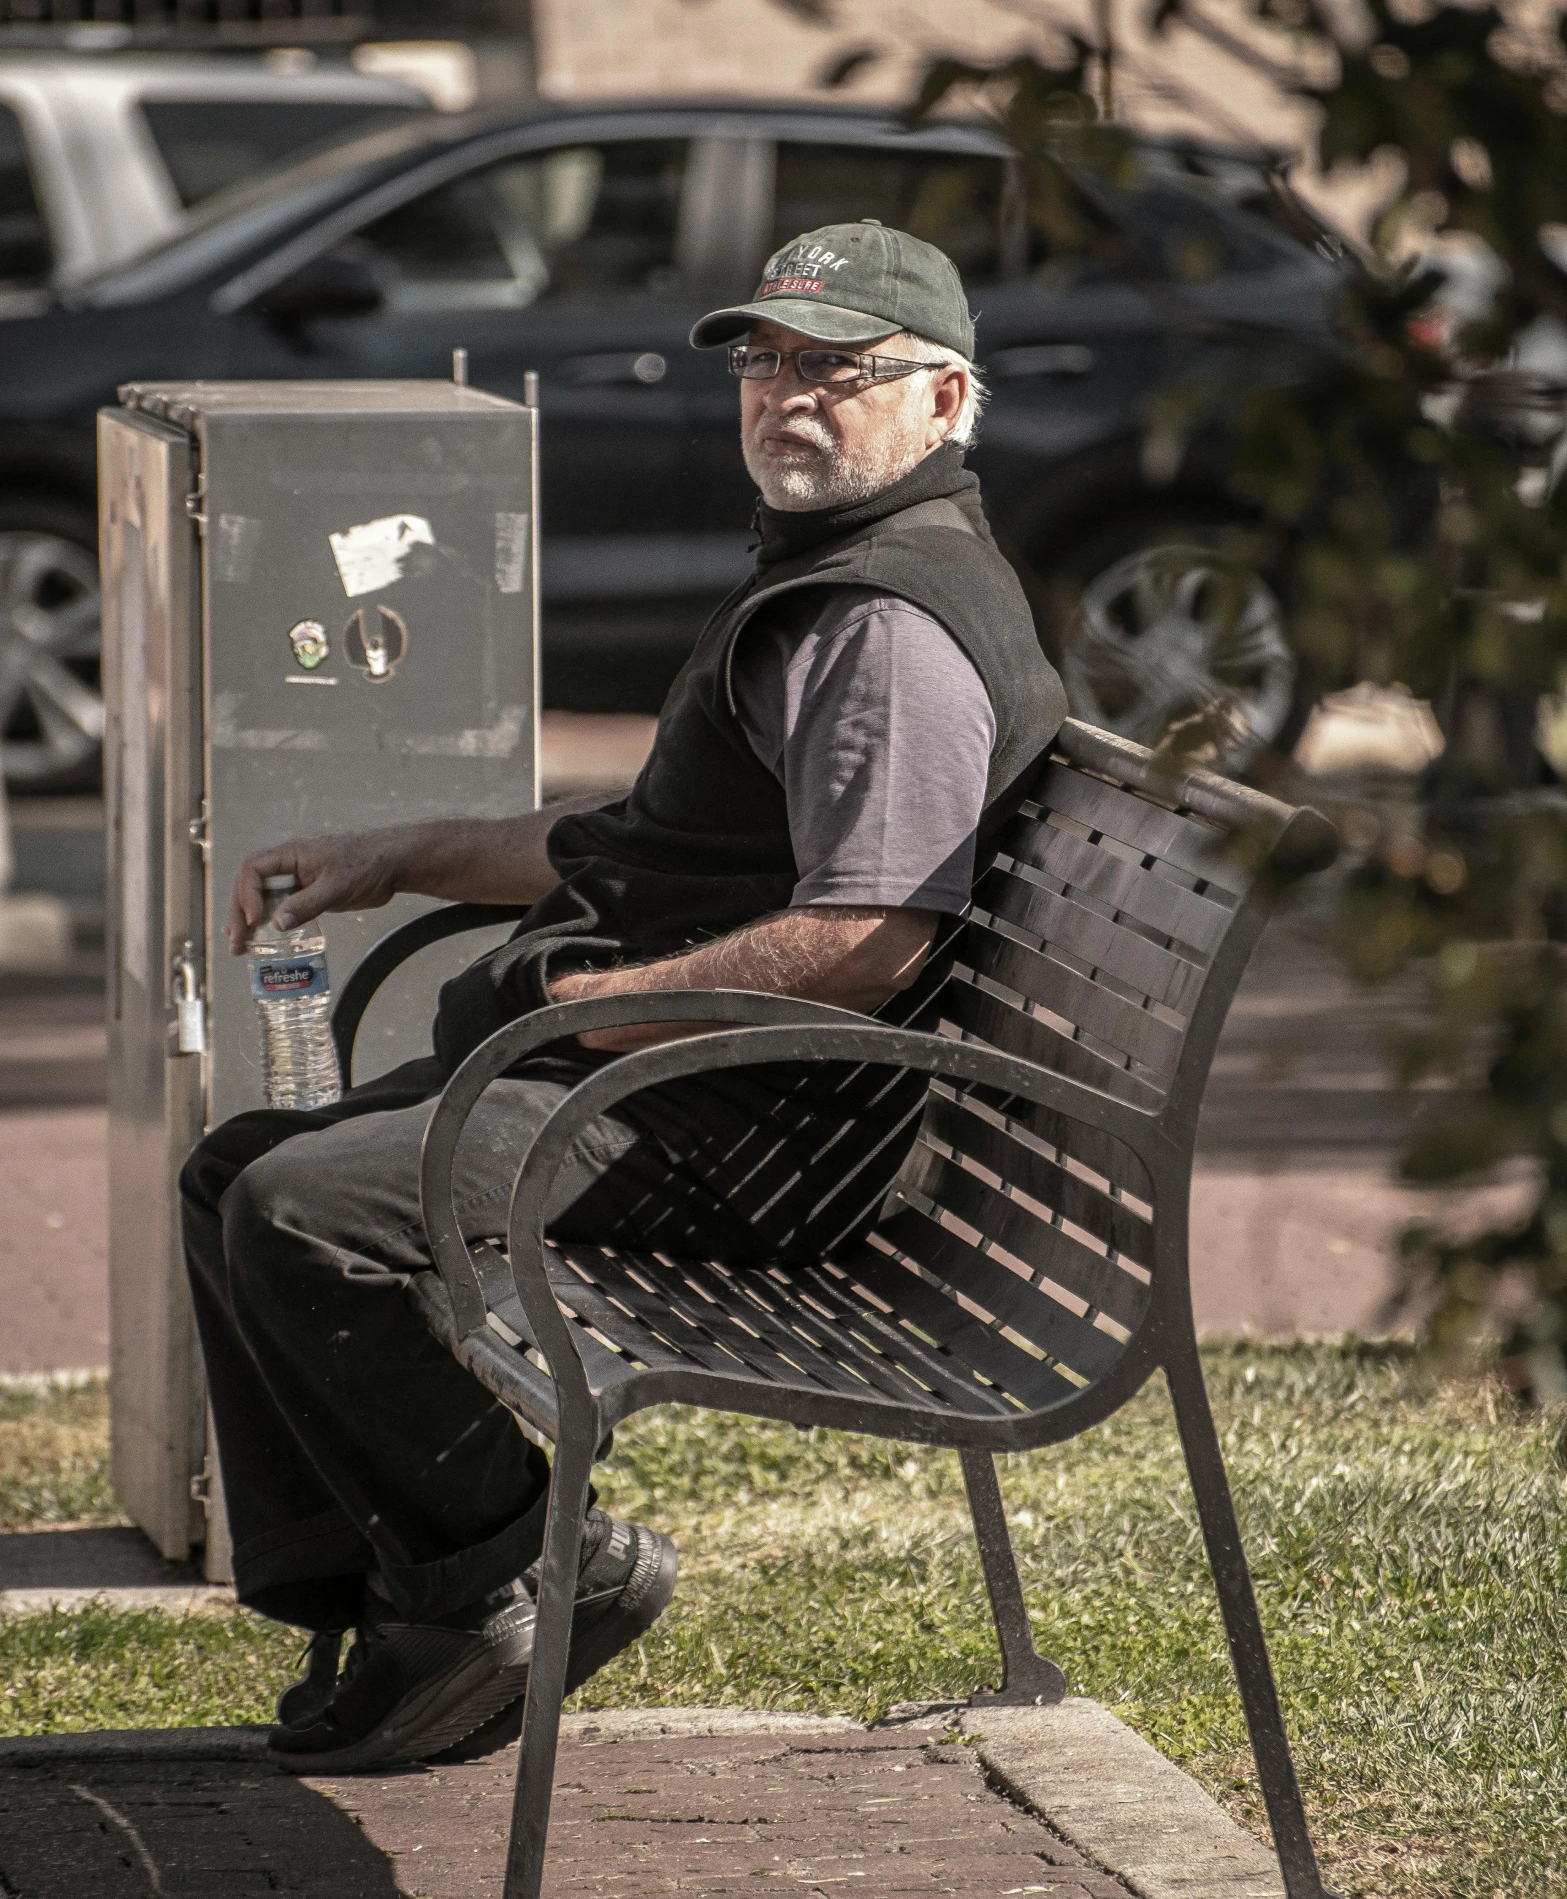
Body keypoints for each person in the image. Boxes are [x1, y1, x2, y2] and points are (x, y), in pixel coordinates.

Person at [182, 218, 1065, 1773]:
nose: (785, 397)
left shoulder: (880, 623)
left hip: (747, 1124)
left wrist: (602, 1006)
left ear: (941, 399)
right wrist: (394, 853)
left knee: (303, 1208)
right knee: (231, 1170)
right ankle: (423, 1606)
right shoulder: (823, 575)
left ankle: (522, 1558)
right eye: (764, 363)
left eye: (836, 370)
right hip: (662, 1082)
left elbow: (869, 942)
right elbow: (627, 841)